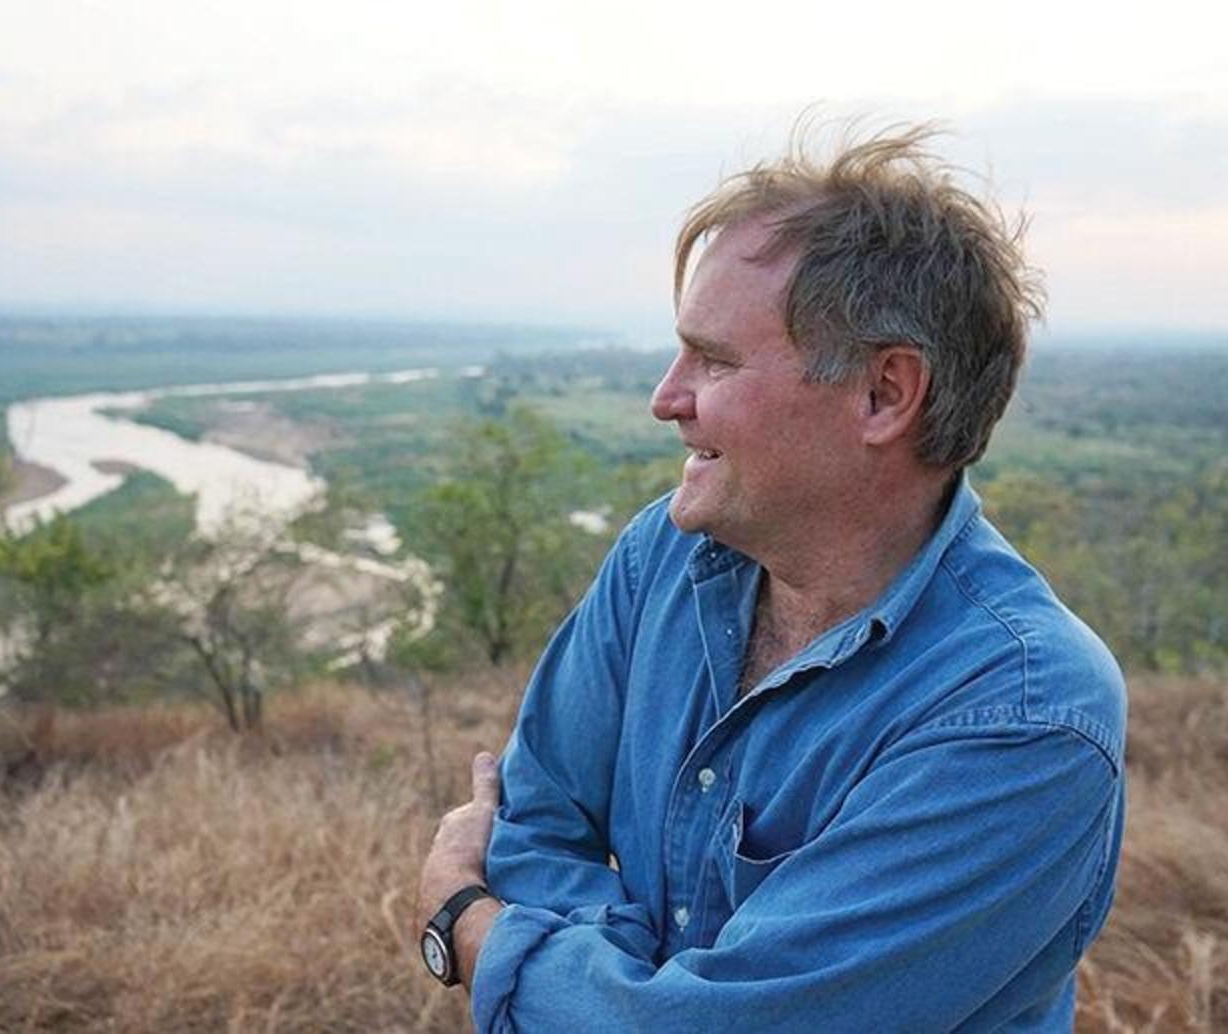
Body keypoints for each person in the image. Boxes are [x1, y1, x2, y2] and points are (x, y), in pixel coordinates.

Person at [416, 123, 1127, 1032]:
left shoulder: (1024, 714)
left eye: (713, 358)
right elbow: (530, 820)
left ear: (883, 394)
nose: (667, 398)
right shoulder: (662, 559)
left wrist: (470, 925)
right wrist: (642, 997)